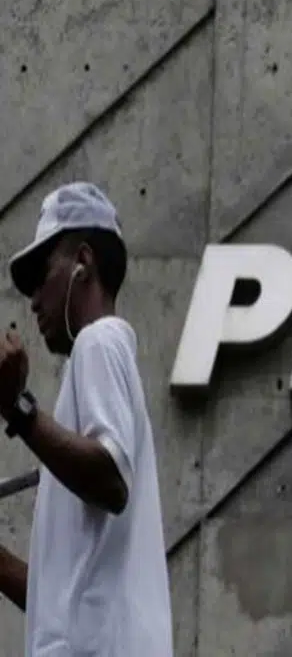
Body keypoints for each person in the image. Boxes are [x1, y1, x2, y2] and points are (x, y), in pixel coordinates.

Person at [0, 183, 172, 655]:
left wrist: (17, 409)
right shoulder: (101, 362)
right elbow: (57, 609)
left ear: (83, 261)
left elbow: (110, 480)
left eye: (41, 276)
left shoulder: (99, 341)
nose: (33, 300)